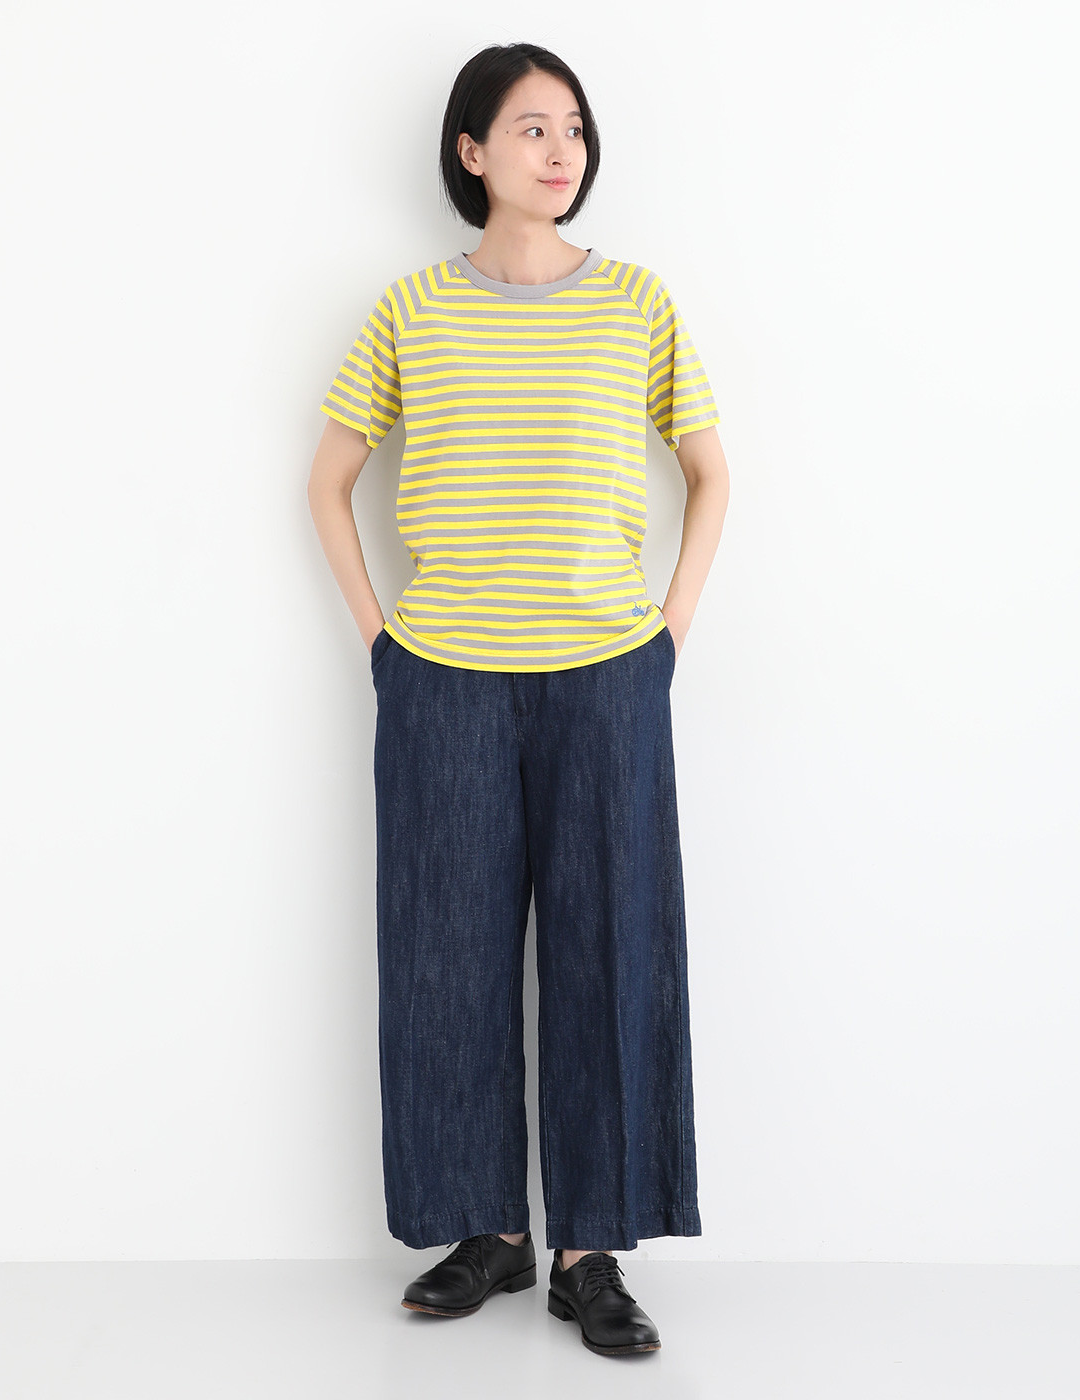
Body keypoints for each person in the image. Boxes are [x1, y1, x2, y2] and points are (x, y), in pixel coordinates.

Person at [307, 41, 729, 1359]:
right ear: (472, 150)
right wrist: (384, 642)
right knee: (446, 955)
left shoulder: (638, 304)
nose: (561, 151)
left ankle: (589, 1251)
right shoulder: (410, 310)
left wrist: (667, 634)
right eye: (533, 127)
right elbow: (327, 479)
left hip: (608, 673)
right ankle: (484, 1231)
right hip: (442, 677)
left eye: (576, 129)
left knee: (613, 950)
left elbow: (712, 473)